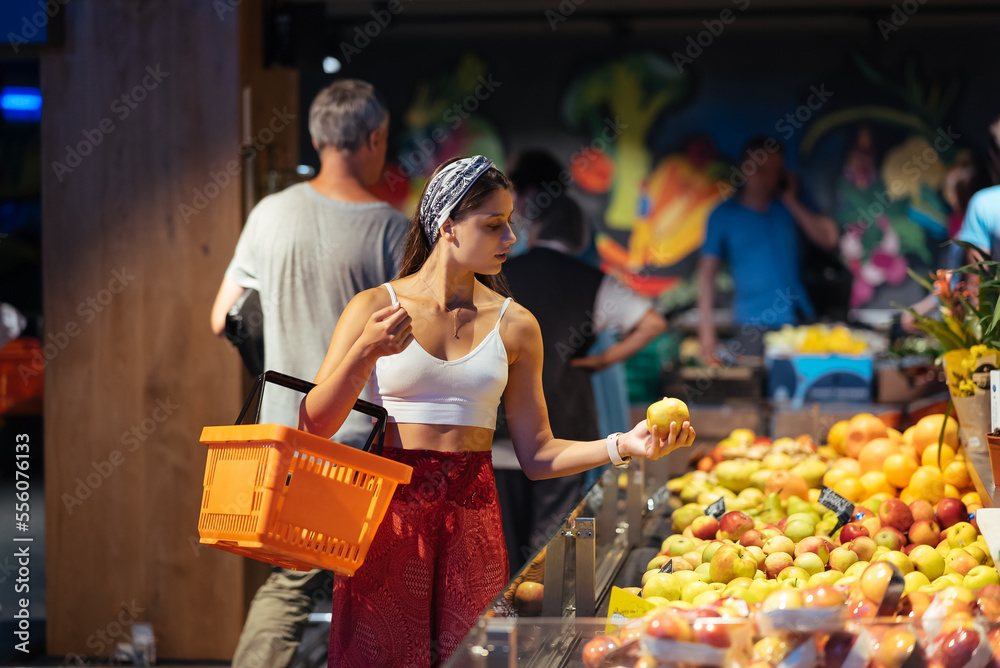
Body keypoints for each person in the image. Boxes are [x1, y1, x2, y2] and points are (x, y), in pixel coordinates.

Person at [298, 155, 696, 667]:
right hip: (388, 513)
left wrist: (624, 444)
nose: (510, 236)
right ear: (446, 226)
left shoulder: (516, 325)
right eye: (493, 224)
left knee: (473, 658)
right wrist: (363, 353)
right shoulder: (373, 308)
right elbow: (313, 424)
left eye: (510, 222)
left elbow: (538, 453)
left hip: (474, 516)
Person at [210, 79, 409, 668]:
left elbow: (221, 318)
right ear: (374, 139)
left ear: (318, 138)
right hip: (362, 440)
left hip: (284, 437)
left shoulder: (268, 214)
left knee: (290, 584)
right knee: (377, 591)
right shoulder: (391, 229)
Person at [493, 156, 668, 574]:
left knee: (499, 556)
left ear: (531, 229)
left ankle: (496, 632)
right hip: (562, 440)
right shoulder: (593, 280)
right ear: (578, 236)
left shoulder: (496, 276)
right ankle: (544, 628)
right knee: (550, 560)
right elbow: (653, 322)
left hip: (495, 437)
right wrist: (599, 360)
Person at [697, 137, 839, 361]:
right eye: (760, 169)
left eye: (775, 171)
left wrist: (792, 201)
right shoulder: (723, 215)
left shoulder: (788, 206)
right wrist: (706, 332)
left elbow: (829, 239)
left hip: (798, 317)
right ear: (744, 169)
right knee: (753, 391)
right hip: (751, 324)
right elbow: (706, 275)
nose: (766, 178)